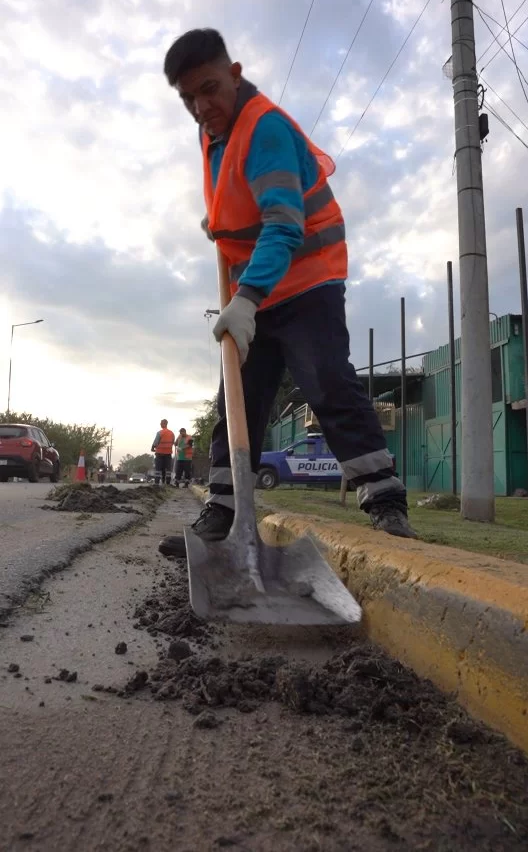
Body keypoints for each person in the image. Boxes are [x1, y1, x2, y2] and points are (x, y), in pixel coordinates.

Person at [158, 28, 416, 557]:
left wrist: (246, 300)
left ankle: (385, 499)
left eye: (209, 89)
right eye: (188, 99)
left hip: (306, 279)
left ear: (235, 74)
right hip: (255, 282)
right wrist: (222, 223)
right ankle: (225, 511)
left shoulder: (265, 128)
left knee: (325, 379)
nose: (201, 106)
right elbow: (242, 192)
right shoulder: (212, 128)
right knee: (239, 397)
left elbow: (283, 222)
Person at [151, 419, 175, 486]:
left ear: (164, 424)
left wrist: (152, 448)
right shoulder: (171, 433)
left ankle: (156, 482)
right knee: (168, 469)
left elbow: (156, 442)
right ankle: (167, 482)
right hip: (168, 454)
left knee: (158, 469)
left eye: (161, 423)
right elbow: (172, 442)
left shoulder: (160, 433)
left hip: (160, 453)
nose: (160, 424)